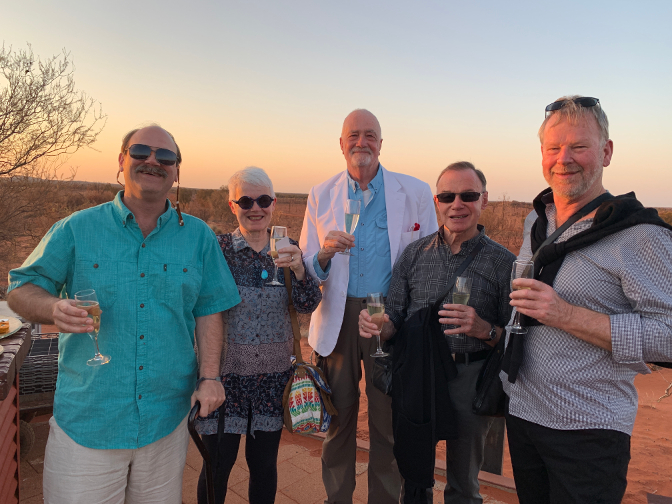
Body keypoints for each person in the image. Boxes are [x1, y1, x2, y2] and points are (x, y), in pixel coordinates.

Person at [6, 125, 241, 504]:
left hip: (167, 422)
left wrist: (210, 376)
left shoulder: (198, 237)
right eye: (141, 152)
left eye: (165, 157)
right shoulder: (77, 229)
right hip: (90, 421)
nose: (153, 161)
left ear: (176, 171)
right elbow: (20, 287)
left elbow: (210, 309)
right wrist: (51, 307)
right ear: (121, 161)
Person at [502, 96, 672, 503]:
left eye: (579, 146)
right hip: (524, 414)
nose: (565, 159)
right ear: (542, 155)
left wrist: (566, 314)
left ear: (606, 152)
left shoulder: (641, 234)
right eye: (554, 148)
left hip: (589, 428)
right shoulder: (536, 221)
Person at [299, 108, 438, 503]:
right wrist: (324, 253)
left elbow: (428, 261)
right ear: (341, 145)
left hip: (387, 317)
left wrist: (402, 315)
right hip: (337, 315)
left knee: (386, 420)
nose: (362, 142)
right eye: (354, 136)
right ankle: (337, 497)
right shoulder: (320, 194)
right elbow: (310, 264)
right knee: (339, 419)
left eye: (370, 135)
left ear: (381, 142)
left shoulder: (414, 192)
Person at [359, 162, 516, 503]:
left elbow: (516, 338)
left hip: (470, 377)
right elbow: (395, 319)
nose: (457, 204)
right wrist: (380, 326)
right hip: (418, 376)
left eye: (468, 195)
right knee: (414, 476)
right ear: (436, 201)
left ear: (484, 200)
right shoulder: (414, 254)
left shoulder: (504, 263)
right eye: (447, 196)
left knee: (463, 483)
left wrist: (484, 328)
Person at [194, 167, 322, 504]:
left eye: (263, 200)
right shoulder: (217, 249)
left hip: (272, 380)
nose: (255, 207)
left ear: (274, 203)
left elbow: (307, 304)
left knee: (263, 466)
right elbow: (199, 306)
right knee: (217, 465)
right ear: (232, 205)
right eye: (246, 200)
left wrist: (298, 269)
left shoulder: (288, 247)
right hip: (226, 379)